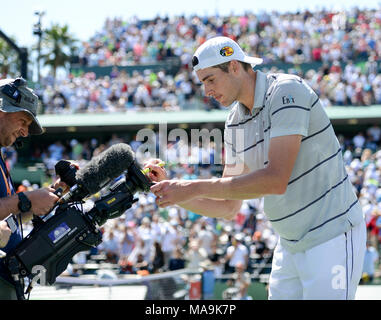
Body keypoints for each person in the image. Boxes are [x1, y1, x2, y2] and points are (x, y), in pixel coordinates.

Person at [146, 36, 366, 300]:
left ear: (235, 67)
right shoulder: (234, 121)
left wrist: (190, 187)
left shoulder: (287, 90)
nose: (207, 91)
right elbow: (228, 206)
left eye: (211, 79)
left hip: (332, 234)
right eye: (203, 82)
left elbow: (275, 180)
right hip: (288, 244)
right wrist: (175, 192)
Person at [0, 78, 60, 299]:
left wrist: (48, 196)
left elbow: (7, 218)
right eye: (22, 121)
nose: (25, 132)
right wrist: (23, 200)